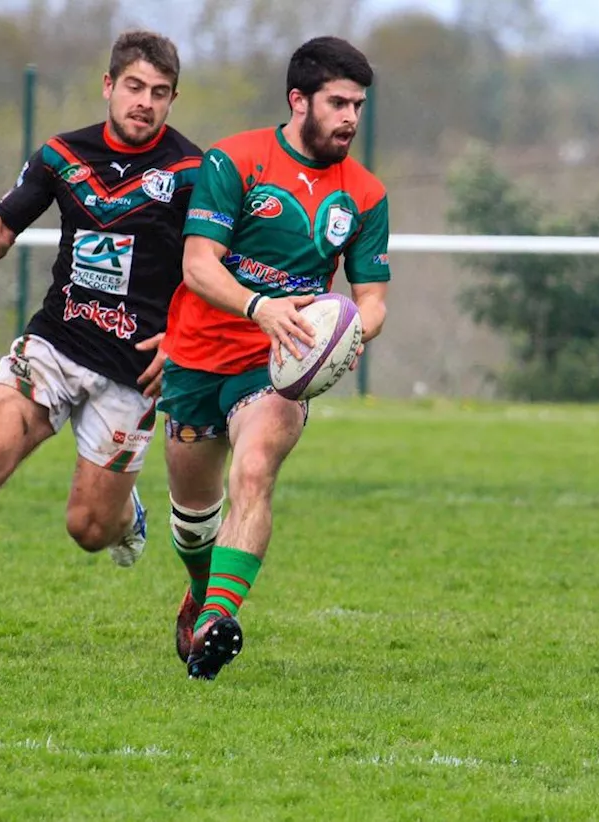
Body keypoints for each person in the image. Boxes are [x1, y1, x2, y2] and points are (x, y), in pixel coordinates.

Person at [0, 30, 202, 657]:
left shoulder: (192, 172)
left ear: (173, 99)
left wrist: (182, 340)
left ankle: (125, 512)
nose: (144, 102)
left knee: (88, 529)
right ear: (108, 86)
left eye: (159, 93)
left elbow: (208, 266)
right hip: (54, 342)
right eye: (134, 87)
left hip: (132, 372)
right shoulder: (61, 156)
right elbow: (5, 217)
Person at [159, 36, 391, 680]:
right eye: (338, 102)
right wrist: (260, 305)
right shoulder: (235, 162)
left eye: (358, 105)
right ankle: (201, 590)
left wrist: (341, 333)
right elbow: (198, 266)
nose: (350, 117)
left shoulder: (365, 195)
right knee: (193, 525)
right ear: (298, 100)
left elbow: (372, 301)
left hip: (276, 369)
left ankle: (217, 622)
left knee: (255, 470)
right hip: (196, 360)